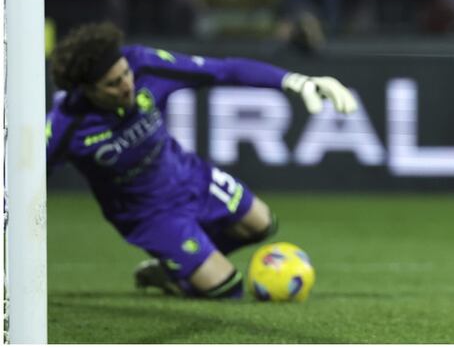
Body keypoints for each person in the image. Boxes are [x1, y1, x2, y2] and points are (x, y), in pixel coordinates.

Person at [46, 21, 358, 299]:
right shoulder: (66, 124)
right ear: (86, 90)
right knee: (228, 288)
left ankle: (174, 265)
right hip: (148, 214)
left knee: (262, 225)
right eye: (112, 84)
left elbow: (224, 70)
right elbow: (24, 179)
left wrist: (294, 81)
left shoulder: (145, 65)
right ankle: (181, 267)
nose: (126, 85)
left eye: (125, 74)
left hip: (188, 174)